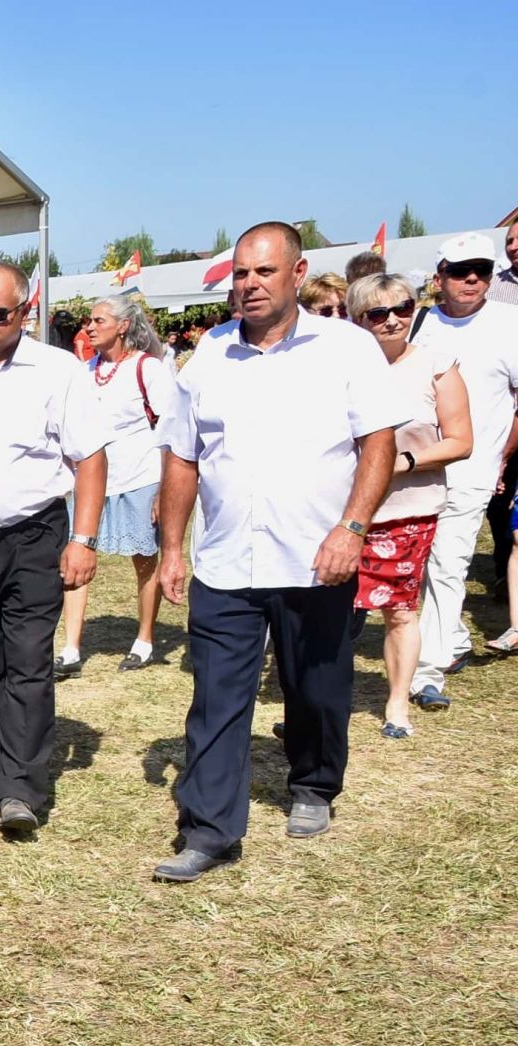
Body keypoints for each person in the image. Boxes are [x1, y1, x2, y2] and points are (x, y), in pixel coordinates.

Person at [151, 223, 406, 882]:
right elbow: (182, 454)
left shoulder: (347, 349)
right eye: (240, 273)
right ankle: (209, 829)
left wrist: (352, 527)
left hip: (316, 558)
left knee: (317, 687)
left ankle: (315, 783)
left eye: (263, 272)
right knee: (216, 696)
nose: (249, 285)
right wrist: (173, 545)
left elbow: (377, 445)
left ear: (298, 274)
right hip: (228, 560)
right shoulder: (207, 355)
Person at [0, 262, 111, 835]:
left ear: (24, 311)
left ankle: (20, 789)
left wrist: (83, 540)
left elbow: (89, 458)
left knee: (29, 664)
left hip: (34, 538)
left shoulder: (58, 371)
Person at [344, 272, 473, 737]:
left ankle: (397, 704)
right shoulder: (340, 367)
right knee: (329, 611)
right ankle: (321, 703)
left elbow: (461, 441)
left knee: (399, 610)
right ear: (358, 319)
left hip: (406, 510)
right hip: (340, 511)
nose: (393, 320)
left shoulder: (436, 365)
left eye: (403, 308)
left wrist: (404, 460)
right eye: (378, 313)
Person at [406, 233, 518, 711]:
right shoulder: (418, 323)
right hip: (416, 468)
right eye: (460, 270)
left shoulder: (511, 324)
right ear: (439, 278)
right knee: (418, 562)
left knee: (449, 564)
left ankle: (428, 672)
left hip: (474, 467)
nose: (472, 279)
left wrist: (503, 456)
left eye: (482, 271)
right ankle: (447, 637)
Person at [58, 296, 175, 676]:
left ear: (123, 326)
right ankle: (71, 649)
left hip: (140, 477)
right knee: (75, 559)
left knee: (144, 561)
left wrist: (163, 489)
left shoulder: (148, 368)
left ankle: (144, 639)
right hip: (92, 482)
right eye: (88, 321)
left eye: (99, 320)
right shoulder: (82, 370)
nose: (89, 327)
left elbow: (170, 430)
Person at [488, 224, 518, 586]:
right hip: (505, 409)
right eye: (509, 240)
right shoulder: (495, 287)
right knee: (499, 498)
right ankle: (503, 571)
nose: (513, 246)